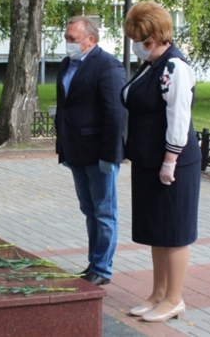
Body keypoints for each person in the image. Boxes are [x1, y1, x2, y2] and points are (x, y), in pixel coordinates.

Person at [121, 1, 201, 322]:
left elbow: (178, 118)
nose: (137, 45)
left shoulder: (174, 67)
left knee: (174, 231)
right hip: (148, 161)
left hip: (173, 165)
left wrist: (170, 161)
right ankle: (157, 294)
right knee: (157, 231)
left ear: (155, 36)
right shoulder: (152, 64)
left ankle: (174, 299)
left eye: (141, 39)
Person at [55, 16, 127, 286]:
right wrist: (63, 146)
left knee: (105, 212)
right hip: (75, 152)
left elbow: (115, 114)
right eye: (66, 38)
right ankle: (93, 264)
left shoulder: (108, 65)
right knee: (89, 209)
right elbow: (65, 107)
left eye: (72, 39)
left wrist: (109, 156)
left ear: (90, 40)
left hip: (100, 155)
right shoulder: (66, 65)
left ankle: (102, 268)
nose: (68, 44)